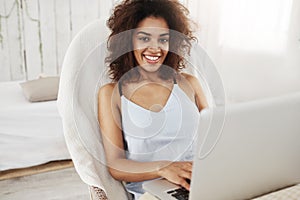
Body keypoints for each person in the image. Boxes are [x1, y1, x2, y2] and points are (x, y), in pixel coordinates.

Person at [98, 0, 208, 199]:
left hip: (200, 185)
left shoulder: (189, 83)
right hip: (153, 193)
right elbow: (115, 164)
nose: (155, 48)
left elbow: (213, 138)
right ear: (128, 41)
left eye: (163, 39)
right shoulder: (112, 93)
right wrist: (163, 168)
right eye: (144, 38)